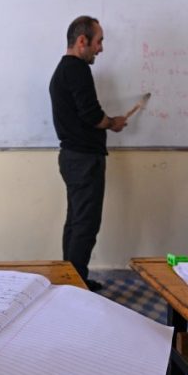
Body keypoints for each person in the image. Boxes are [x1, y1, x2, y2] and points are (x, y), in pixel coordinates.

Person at [49, 15, 129, 292]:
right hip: (83, 159)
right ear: (82, 41)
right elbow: (92, 115)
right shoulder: (77, 70)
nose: (101, 48)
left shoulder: (65, 69)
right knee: (85, 223)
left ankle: (73, 278)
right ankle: (76, 285)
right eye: (99, 41)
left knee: (76, 221)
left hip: (74, 157)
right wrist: (113, 122)